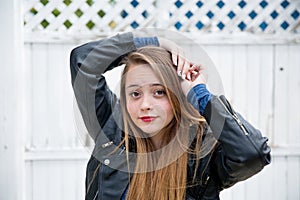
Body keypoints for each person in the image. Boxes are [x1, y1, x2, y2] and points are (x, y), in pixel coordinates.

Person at [70, 32, 271, 200]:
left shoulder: (202, 152)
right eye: (135, 94)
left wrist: (200, 94)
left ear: (178, 95)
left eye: (159, 92)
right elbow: (82, 60)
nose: (145, 105)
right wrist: (153, 42)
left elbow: (251, 154)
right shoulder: (112, 128)